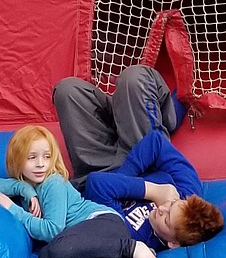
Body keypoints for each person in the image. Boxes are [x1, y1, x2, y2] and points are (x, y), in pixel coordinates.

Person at [37, 127, 224, 258]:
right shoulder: (186, 189)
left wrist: (152, 191)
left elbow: (96, 184)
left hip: (84, 184)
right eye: (172, 205)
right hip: (123, 159)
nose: (162, 209)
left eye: (166, 220)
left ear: (173, 243)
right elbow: (156, 142)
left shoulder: (130, 233)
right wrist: (125, 177)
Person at [0, 123, 159, 258]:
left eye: (47, 157)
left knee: (57, 249)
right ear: (17, 160)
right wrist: (24, 189)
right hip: (84, 236)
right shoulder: (28, 185)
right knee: (46, 257)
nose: (40, 164)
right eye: (32, 158)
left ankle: (132, 247)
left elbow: (52, 230)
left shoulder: (53, 183)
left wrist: (13, 209)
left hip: (104, 222)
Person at [52, 64, 185, 186]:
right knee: (134, 79)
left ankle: (107, 170)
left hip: (106, 168)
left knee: (67, 90)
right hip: (139, 157)